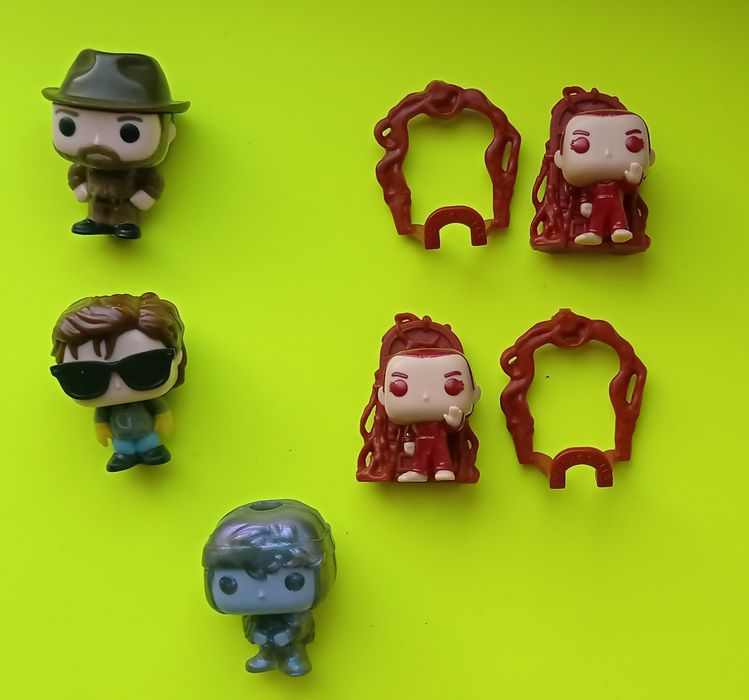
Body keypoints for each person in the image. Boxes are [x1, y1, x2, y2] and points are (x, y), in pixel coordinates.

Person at [42, 49, 190, 239]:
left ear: (168, 133)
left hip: (125, 202)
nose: (96, 142)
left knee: (124, 214)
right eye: (68, 126)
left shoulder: (137, 169)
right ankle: (94, 220)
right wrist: (80, 188)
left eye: (129, 132)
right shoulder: (85, 166)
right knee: (97, 211)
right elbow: (75, 174)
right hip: (96, 199)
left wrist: (146, 196)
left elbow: (153, 181)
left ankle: (126, 223)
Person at [50, 292, 186, 472]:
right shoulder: (105, 409)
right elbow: (101, 417)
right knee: (123, 447)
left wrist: (163, 416)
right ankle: (123, 455)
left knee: (149, 443)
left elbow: (159, 408)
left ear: (177, 357)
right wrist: (101, 427)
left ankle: (152, 450)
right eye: (86, 374)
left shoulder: (149, 401)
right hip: (121, 438)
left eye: (143, 367)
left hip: (147, 433)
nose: (117, 385)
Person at [203, 500, 337, 677]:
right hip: (267, 637)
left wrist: (287, 635)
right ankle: (267, 657)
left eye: (293, 581)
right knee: (265, 643)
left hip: (289, 639)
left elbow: (301, 626)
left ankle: (294, 658)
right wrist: (257, 635)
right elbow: (251, 625)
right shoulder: (254, 614)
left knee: (292, 648)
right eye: (229, 584)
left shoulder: (297, 613)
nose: (261, 594)